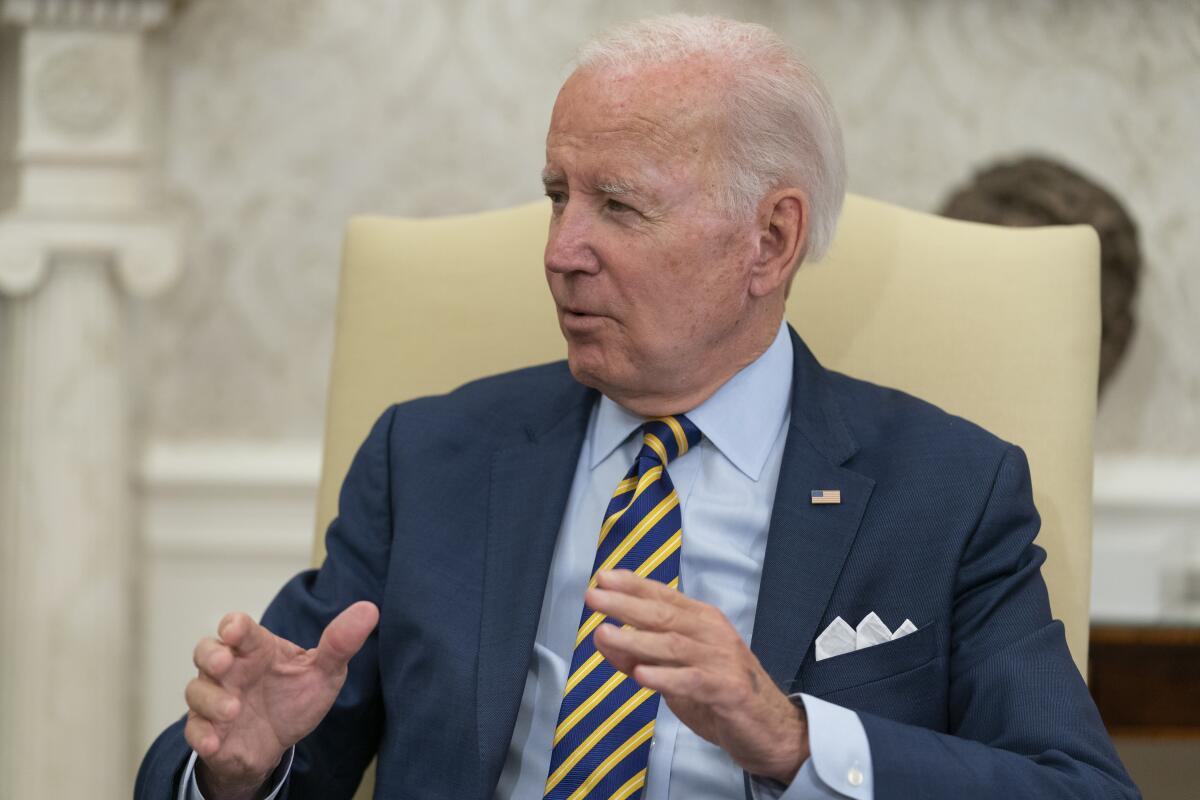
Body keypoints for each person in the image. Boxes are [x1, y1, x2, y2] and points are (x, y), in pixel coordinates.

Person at [136, 14, 1139, 800]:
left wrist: (789, 734)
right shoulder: (433, 456)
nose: (562, 248)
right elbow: (265, 743)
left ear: (769, 241)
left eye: (617, 205)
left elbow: (1077, 783)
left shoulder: (947, 490)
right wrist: (240, 766)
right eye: (556, 194)